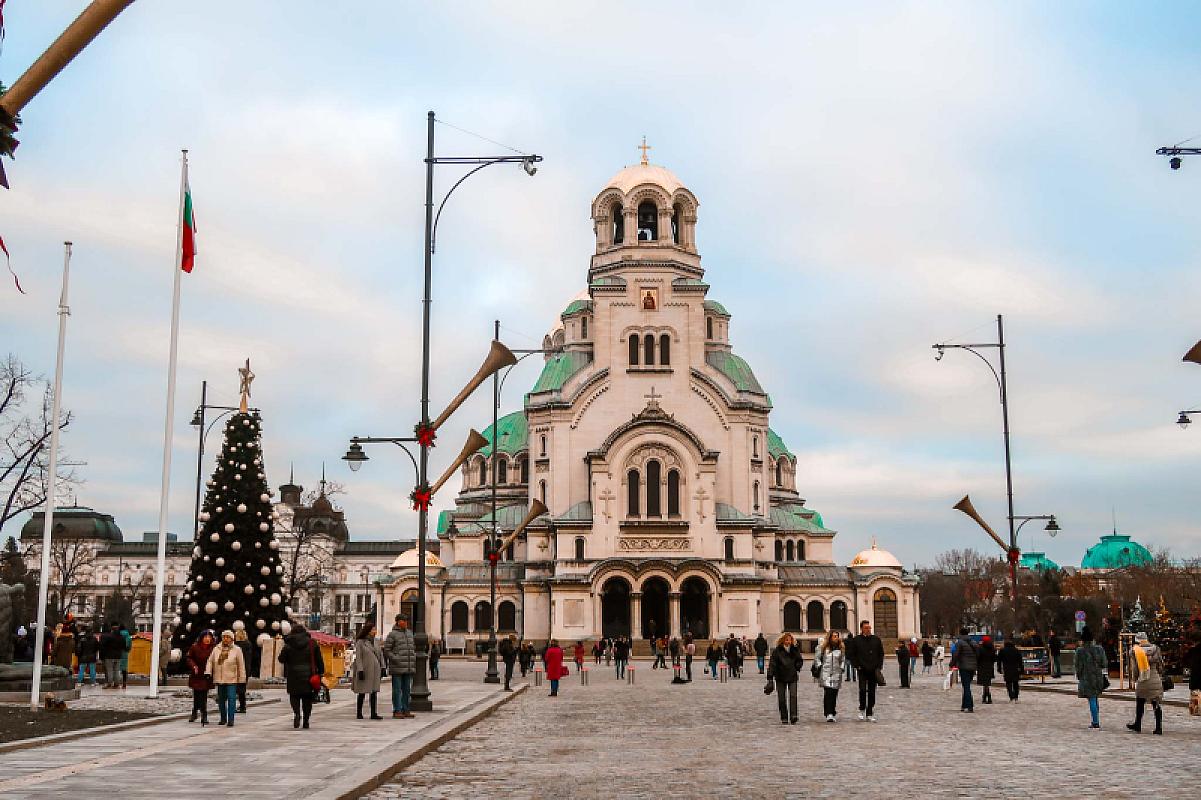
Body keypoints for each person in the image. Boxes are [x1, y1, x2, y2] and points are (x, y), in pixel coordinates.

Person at [279, 623, 324, 729]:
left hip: (293, 675)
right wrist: (321, 672)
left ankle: (297, 714)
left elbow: (281, 659)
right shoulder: (312, 643)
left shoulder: (288, 644)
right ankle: (306, 721)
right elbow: (319, 660)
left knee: (294, 696)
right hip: (309, 675)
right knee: (307, 699)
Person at [206, 630, 246, 727]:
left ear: (232, 639)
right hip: (220, 679)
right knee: (221, 699)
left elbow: (241, 665)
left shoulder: (237, 650)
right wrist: (208, 672)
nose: (225, 639)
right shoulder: (217, 649)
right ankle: (223, 718)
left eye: (228, 637)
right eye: (224, 637)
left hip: (231, 679)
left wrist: (242, 679)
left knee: (232, 699)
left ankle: (231, 719)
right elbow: (210, 661)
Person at [1127, 631, 1164, 735]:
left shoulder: (1135, 651)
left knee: (1140, 702)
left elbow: (1134, 668)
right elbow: (1160, 665)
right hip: (1154, 677)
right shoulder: (1155, 649)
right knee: (1156, 703)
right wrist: (1159, 674)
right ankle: (1158, 727)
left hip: (1143, 679)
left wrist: (1134, 679)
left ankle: (1137, 724)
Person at [846, 620, 883, 722]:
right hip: (862, 669)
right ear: (861, 629)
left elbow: (881, 654)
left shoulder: (876, 639)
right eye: (866, 628)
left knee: (872, 692)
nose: (868, 629)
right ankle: (862, 708)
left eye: (869, 628)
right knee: (862, 690)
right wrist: (857, 665)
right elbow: (851, 654)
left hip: (873, 669)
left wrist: (879, 666)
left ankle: (870, 712)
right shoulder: (856, 640)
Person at [381, 614, 416, 720]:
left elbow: (412, 648)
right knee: (397, 690)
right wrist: (396, 658)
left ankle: (406, 709)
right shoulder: (392, 634)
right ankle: (397, 710)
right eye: (403, 621)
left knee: (407, 690)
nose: (405, 623)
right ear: (398, 622)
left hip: (408, 666)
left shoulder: (410, 634)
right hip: (397, 667)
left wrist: (412, 659)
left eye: (406, 621)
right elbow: (387, 650)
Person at [766, 632, 803, 724]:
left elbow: (800, 660)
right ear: (783, 640)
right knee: (781, 698)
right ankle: (784, 717)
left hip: (792, 676)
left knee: (793, 696)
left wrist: (797, 667)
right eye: (786, 639)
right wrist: (770, 677)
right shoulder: (777, 651)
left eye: (790, 640)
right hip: (780, 676)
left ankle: (793, 715)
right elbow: (772, 664)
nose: (788, 641)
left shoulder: (795, 650)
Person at [1075, 625, 1107, 729]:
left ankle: (1095, 721)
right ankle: (1096, 718)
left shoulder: (1080, 651)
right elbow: (1104, 663)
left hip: (1086, 677)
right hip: (1097, 676)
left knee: (1092, 699)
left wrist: (1079, 676)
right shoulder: (1099, 649)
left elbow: (1078, 666)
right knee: (1095, 697)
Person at [351, 621, 385, 721]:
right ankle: (359, 712)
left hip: (375, 670)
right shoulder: (360, 642)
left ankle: (373, 713)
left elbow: (380, 655)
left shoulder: (376, 641)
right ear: (368, 631)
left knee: (374, 691)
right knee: (362, 691)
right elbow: (359, 657)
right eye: (373, 629)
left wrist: (383, 667)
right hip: (365, 670)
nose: (375, 631)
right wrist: (360, 670)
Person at [186, 630, 216, 725]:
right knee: (197, 694)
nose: (207, 639)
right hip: (197, 674)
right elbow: (189, 658)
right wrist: (193, 666)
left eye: (209, 637)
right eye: (205, 637)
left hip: (207, 675)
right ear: (202, 638)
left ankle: (204, 714)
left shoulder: (213, 648)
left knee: (203, 695)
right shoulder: (195, 647)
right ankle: (194, 712)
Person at [817, 630, 845, 722]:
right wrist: (820, 666)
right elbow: (817, 658)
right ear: (830, 637)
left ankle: (832, 711)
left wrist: (841, 668)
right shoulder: (824, 647)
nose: (835, 638)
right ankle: (828, 713)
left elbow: (843, 660)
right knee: (828, 693)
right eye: (834, 636)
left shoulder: (841, 648)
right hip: (826, 673)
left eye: (837, 636)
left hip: (836, 673)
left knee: (834, 694)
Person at [952, 628, 978, 712]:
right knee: (967, 686)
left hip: (964, 666)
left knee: (966, 686)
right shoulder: (973, 642)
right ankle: (964, 705)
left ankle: (969, 705)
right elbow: (978, 654)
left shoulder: (959, 643)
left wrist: (952, 664)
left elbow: (956, 655)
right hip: (972, 667)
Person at [99, 622, 126, 689]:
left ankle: (109, 683)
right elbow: (124, 646)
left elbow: (104, 645)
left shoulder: (109, 637)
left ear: (112, 629)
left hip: (109, 656)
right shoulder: (121, 637)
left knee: (110, 670)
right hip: (118, 656)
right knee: (117, 670)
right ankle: (116, 683)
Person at [998, 637, 1023, 702]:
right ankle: (1016, 696)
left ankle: (1011, 696)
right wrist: (1021, 669)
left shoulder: (1003, 650)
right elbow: (1020, 661)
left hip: (1007, 668)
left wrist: (999, 669)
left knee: (1008, 683)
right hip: (1015, 668)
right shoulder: (1016, 650)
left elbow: (999, 660)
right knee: (1015, 683)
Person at [234, 629, 252, 712]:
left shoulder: (236, 646)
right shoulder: (248, 644)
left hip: (237, 668)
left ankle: (238, 706)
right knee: (242, 688)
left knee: (234, 688)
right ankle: (242, 706)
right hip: (246, 668)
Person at [976, 635, 996, 704]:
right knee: (986, 683)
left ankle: (987, 697)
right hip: (989, 667)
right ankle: (985, 696)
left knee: (985, 683)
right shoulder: (992, 648)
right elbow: (994, 658)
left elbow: (978, 657)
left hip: (982, 667)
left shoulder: (980, 648)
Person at [117, 624, 132, 689]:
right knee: (124, 669)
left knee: (116, 668)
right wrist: (127, 650)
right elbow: (129, 646)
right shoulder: (128, 636)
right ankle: (124, 683)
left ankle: (116, 683)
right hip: (125, 653)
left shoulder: (117, 635)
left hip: (117, 653)